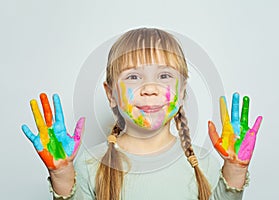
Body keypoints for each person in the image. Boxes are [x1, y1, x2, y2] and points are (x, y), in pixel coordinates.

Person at [21, 27, 262, 200]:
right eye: (133, 77)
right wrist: (61, 174)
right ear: (110, 93)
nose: (149, 88)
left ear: (182, 91)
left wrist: (236, 169)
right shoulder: (88, 165)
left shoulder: (202, 163)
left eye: (164, 76)